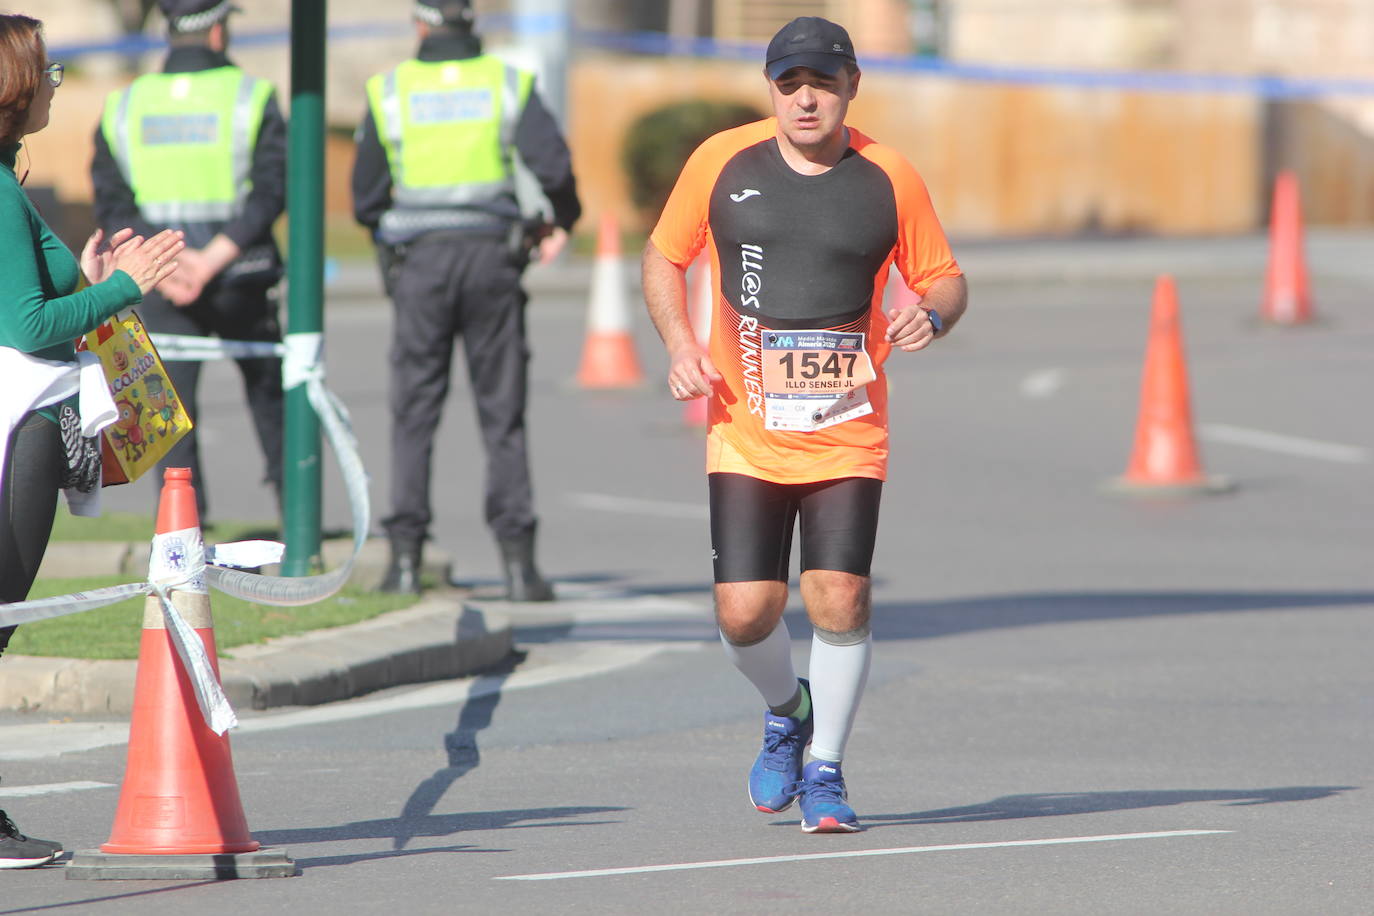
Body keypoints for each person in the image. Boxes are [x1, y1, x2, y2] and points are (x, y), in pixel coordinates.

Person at [642, 17, 968, 833]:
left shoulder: (888, 176)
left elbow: (946, 277)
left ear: (852, 85)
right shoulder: (722, 161)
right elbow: (663, 257)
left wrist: (934, 313)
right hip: (744, 431)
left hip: (847, 430)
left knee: (839, 597)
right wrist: (682, 345)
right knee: (745, 613)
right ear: (772, 90)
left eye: (822, 82)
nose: (805, 99)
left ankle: (826, 769)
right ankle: (787, 709)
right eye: (790, 84)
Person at [0, 12, 183, 867]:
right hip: (23, 425)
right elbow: (32, 323)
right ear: (14, 91)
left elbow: (29, 289)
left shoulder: (7, 185)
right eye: (49, 74)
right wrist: (123, 290)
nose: (56, 88)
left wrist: (95, 268)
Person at [352, 0, 581, 599]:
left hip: (420, 264)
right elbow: (553, 167)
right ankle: (518, 569)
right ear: (471, 18)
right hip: (492, 259)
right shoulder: (506, 81)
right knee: (501, 413)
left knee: (413, 411)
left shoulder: (389, 89)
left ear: (420, 22)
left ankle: (404, 563)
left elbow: (364, 198)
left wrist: (395, 226)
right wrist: (562, 219)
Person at [91, 0, 287, 523]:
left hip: (161, 282)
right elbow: (271, 190)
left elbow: (112, 201)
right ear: (218, 31)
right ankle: (298, 518)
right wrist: (210, 261)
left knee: (167, 413)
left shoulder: (126, 104)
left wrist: (171, 266)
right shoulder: (252, 95)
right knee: (273, 400)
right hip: (240, 273)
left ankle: (184, 531)